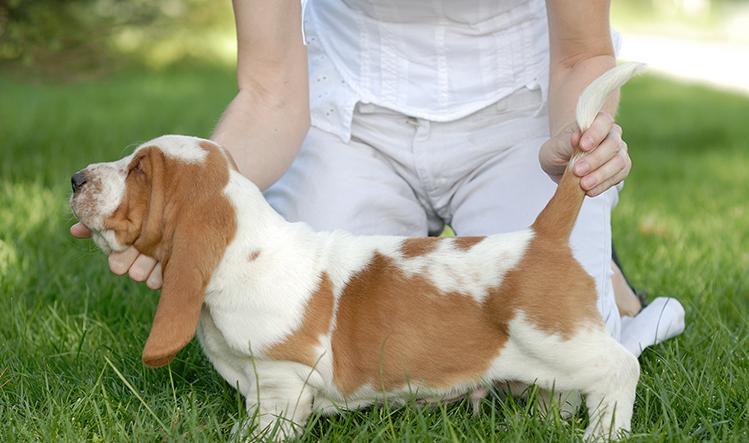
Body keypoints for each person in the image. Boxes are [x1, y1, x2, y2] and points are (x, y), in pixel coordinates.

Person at [71, 0, 685, 355]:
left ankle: (600, 269)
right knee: (305, 342)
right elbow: (269, 92)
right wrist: (188, 210)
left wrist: (574, 141)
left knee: (548, 363)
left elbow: (581, 55)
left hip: (522, 118)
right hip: (349, 118)